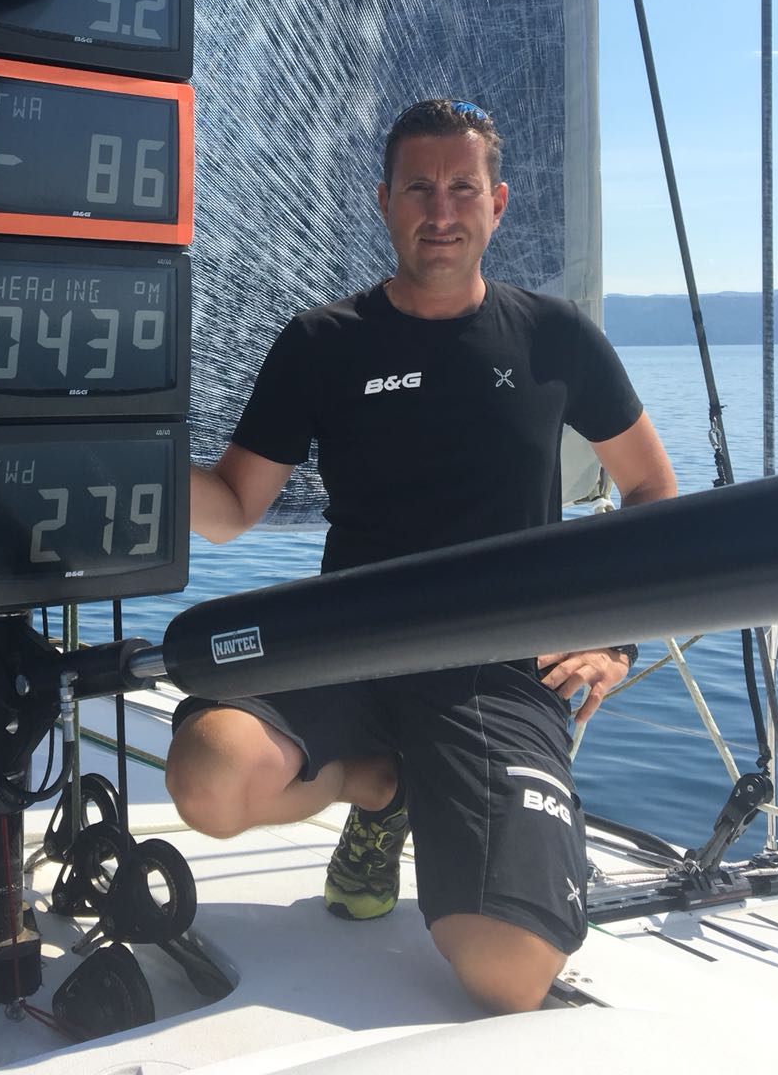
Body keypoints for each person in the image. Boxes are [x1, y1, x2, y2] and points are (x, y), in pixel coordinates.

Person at [166, 97, 676, 1014]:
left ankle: (433, 795)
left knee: (510, 976)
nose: (441, 211)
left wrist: (614, 638)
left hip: (500, 668)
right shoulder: (322, 343)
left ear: (498, 203)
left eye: (462, 188)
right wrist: (131, 456)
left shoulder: (555, 336)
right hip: (346, 644)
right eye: (418, 188)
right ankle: (381, 787)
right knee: (208, 778)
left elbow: (650, 490)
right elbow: (234, 506)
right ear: (383, 201)